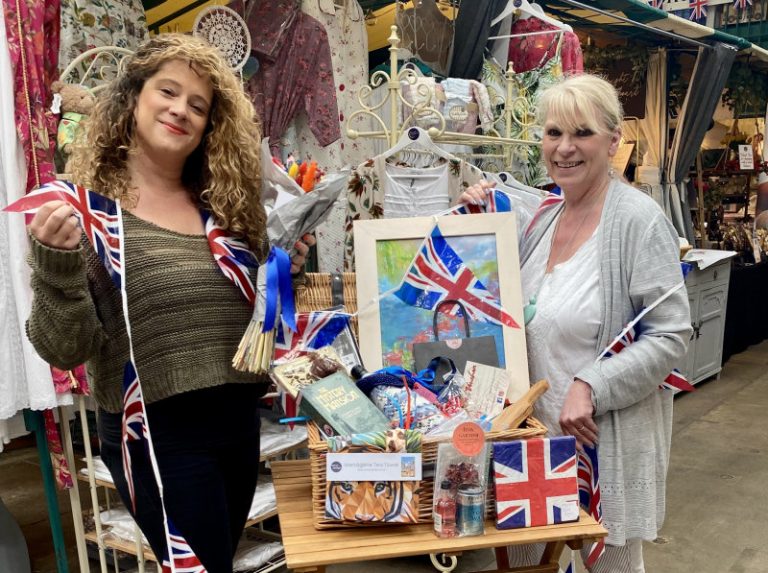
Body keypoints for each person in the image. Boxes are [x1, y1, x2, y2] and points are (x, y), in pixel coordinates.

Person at [25, 34, 313, 572]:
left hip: (237, 424)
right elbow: (64, 349)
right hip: (158, 436)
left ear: (209, 127)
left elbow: (253, 321)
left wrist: (287, 266)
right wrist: (54, 264)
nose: (181, 110)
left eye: (198, 105)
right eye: (168, 91)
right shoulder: (84, 213)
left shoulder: (223, 211)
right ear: (134, 98)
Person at [461, 74, 691, 572]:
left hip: (601, 447)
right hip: (529, 444)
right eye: (553, 133)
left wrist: (594, 383)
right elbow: (502, 310)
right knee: (525, 565)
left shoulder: (639, 221)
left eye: (582, 133)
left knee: (608, 565)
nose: (564, 148)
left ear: (613, 142)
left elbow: (672, 334)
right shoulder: (542, 217)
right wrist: (473, 226)